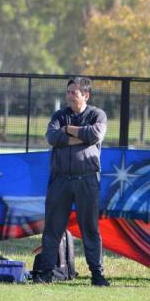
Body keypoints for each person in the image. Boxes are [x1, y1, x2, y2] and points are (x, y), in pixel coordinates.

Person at [35, 76, 109, 286]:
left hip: (87, 180)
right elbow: (52, 137)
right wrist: (80, 137)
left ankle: (97, 274)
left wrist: (68, 130)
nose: (69, 96)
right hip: (60, 180)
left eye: (73, 93)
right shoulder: (59, 115)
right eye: (67, 92)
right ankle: (46, 273)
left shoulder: (97, 114)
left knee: (90, 229)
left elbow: (95, 134)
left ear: (86, 95)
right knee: (53, 229)